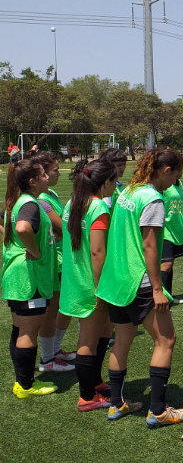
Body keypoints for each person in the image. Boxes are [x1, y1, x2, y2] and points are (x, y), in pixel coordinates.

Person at [95, 148, 183, 427]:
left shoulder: (128, 192)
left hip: (117, 280)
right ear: (166, 170)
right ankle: (158, 410)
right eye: (176, 176)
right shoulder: (153, 199)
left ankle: (117, 404)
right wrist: (158, 289)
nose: (175, 183)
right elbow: (149, 246)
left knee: (122, 341)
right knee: (166, 340)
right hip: (140, 282)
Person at [59, 159, 117, 411]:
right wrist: (100, 289)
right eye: (115, 181)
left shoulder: (72, 203)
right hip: (90, 285)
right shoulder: (98, 208)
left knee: (104, 332)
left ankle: (95, 382)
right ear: (105, 183)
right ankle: (86, 397)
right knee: (87, 341)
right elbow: (97, 252)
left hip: (74, 281)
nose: (116, 186)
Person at [2, 159, 58, 398]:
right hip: (28, 278)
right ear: (33, 182)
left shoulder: (17, 201)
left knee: (19, 328)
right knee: (27, 332)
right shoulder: (29, 205)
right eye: (44, 175)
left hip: (18, 276)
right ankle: (26, 386)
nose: (48, 178)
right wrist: (34, 251)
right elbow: (24, 228)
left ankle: (21, 381)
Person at [31, 152, 77, 373]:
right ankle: (47, 358)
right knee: (52, 310)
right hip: (55, 261)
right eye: (55, 170)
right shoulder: (41, 199)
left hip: (61, 258)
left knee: (61, 307)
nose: (59, 173)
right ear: (43, 174)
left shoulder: (51, 194)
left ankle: (55, 351)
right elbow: (63, 227)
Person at [161, 160, 183, 305]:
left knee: (170, 265)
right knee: (165, 265)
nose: (181, 172)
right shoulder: (163, 186)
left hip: (176, 230)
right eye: (179, 168)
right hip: (165, 231)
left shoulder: (179, 183)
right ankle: (162, 298)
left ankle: (169, 296)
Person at [99, 147, 128, 213]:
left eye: (124, 164)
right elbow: (105, 210)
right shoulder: (107, 186)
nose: (123, 168)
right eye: (119, 165)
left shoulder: (118, 183)